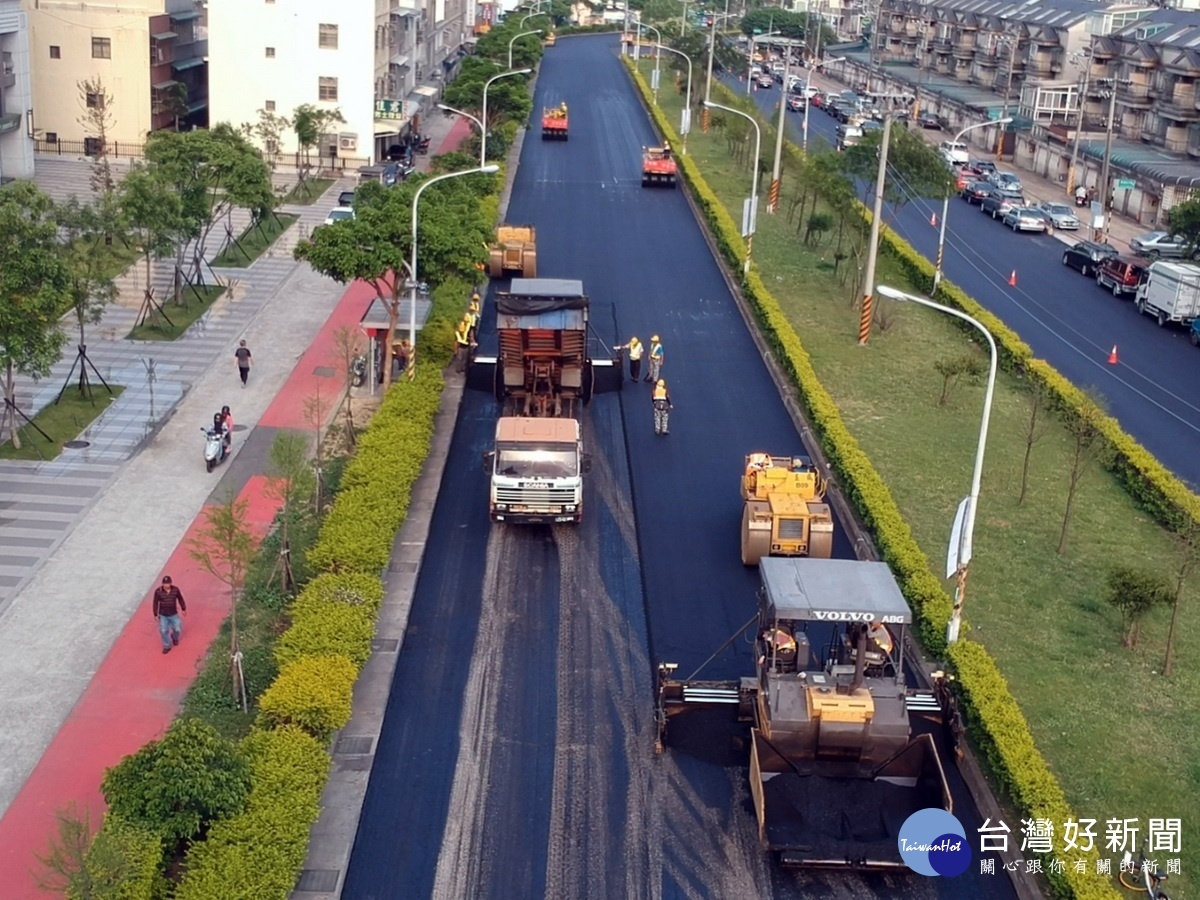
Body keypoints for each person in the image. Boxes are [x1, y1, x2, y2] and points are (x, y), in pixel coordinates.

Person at [152, 575, 187, 654]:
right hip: (163, 615)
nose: (166, 585)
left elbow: (180, 599)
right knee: (163, 630)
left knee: (177, 628)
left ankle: (174, 637)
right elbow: (155, 603)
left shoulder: (175, 590)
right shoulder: (158, 591)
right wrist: (155, 614)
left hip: (173, 614)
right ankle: (167, 646)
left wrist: (183, 608)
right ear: (162, 584)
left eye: (168, 583)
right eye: (165, 584)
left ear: (170, 583)